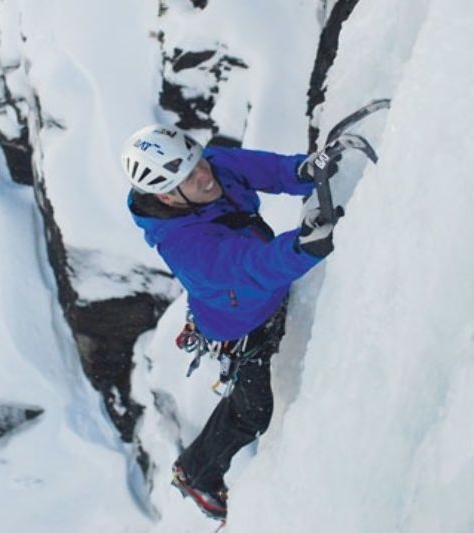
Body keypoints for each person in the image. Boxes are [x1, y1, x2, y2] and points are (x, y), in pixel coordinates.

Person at [122, 124, 342, 520]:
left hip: (260, 296)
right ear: (167, 195)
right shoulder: (184, 246)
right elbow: (247, 268)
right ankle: (197, 473)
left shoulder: (212, 166)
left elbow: (266, 171)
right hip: (240, 326)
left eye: (199, 163)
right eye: (189, 177)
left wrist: (304, 171)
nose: (205, 175)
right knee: (252, 412)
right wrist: (301, 247)